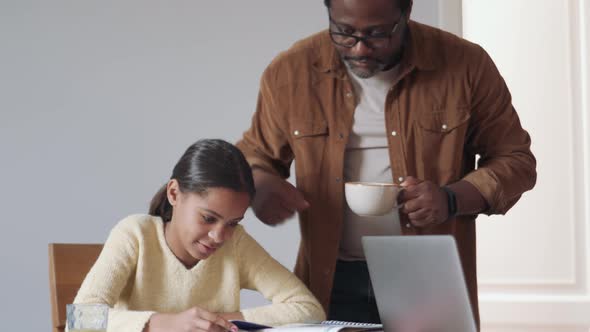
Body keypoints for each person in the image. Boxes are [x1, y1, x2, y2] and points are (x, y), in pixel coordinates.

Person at [236, 0, 537, 328]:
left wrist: (451, 199)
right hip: (328, 278)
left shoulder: (465, 64)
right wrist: (260, 186)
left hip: (427, 280)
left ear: (406, 13)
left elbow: (516, 159)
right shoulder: (291, 71)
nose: (360, 48)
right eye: (344, 33)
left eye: (378, 34)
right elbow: (254, 156)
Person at [73, 139, 325, 332]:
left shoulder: (236, 244)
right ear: (174, 193)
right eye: (208, 218)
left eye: (233, 223)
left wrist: (221, 322)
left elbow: (309, 310)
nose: (219, 236)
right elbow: (79, 320)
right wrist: (165, 324)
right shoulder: (135, 234)